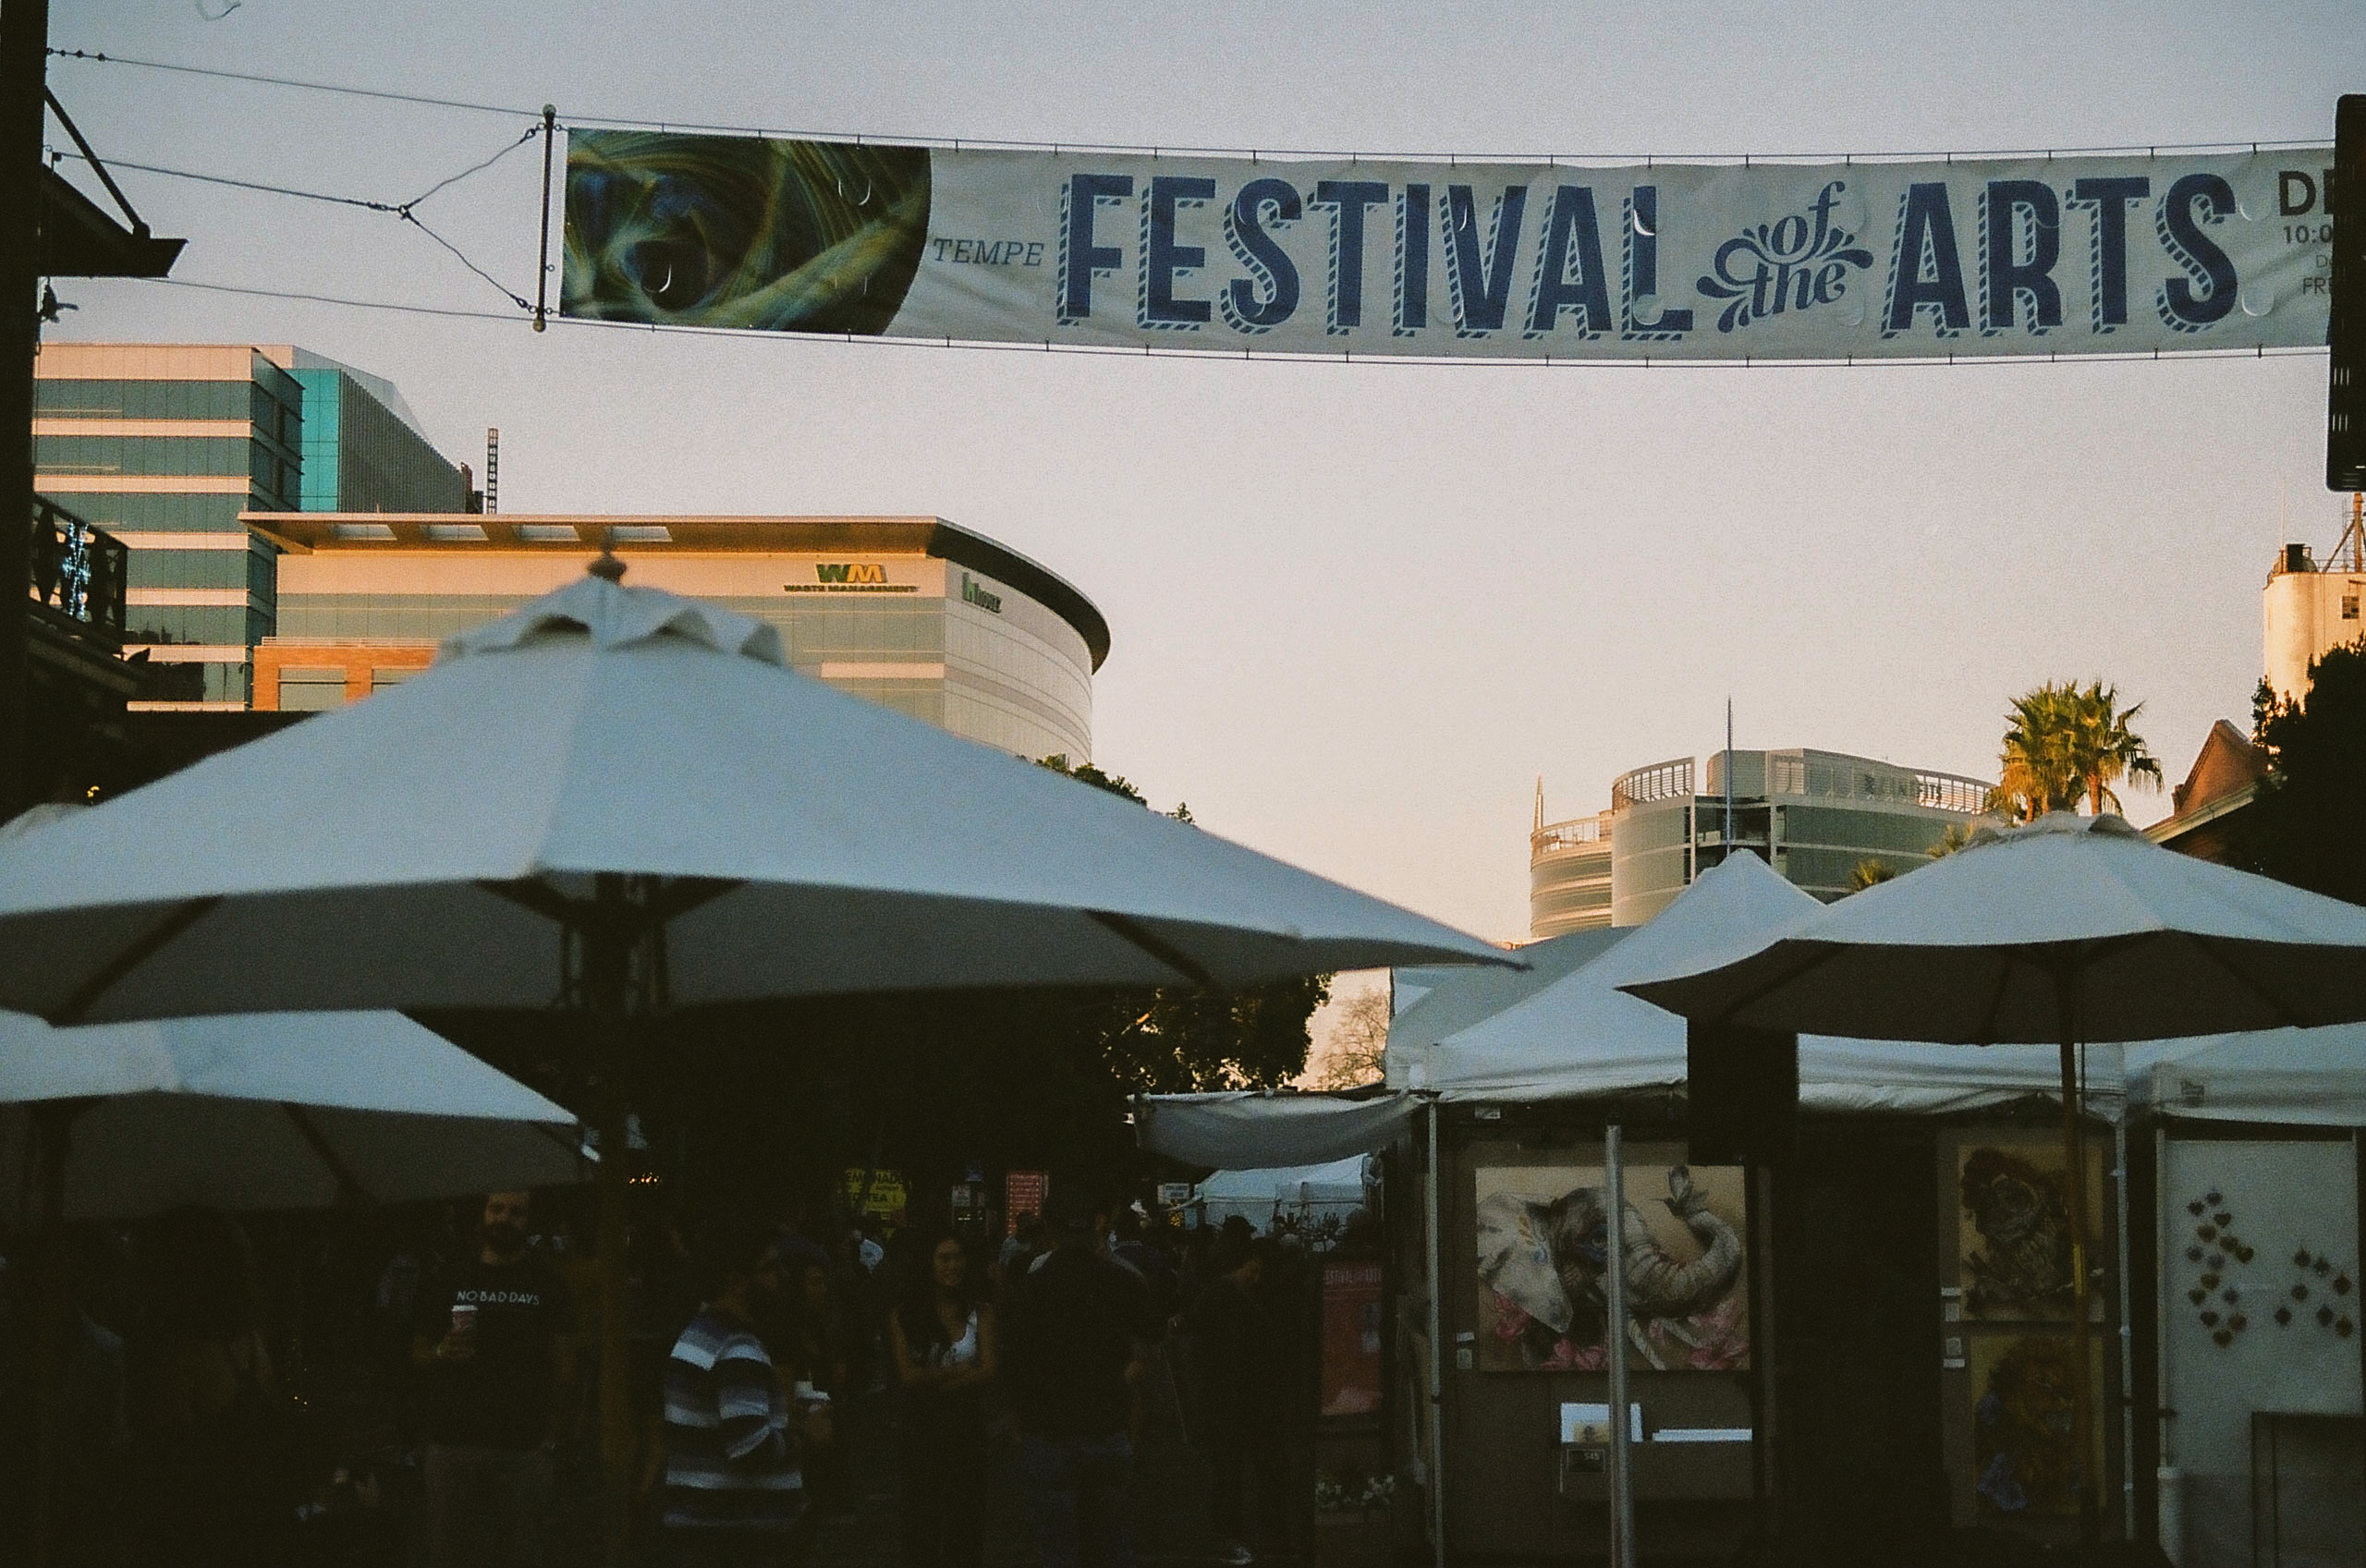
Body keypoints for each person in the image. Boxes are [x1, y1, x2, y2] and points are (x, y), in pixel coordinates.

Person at [1001, 1185, 1162, 1568]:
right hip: (1107, 1426)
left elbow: (1012, 1360)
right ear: (1096, 1227)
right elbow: (1150, 1344)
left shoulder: (1031, 1286)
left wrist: (1017, 1418)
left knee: (1056, 1550)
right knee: (1112, 1546)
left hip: (1048, 1430)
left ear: (1050, 1230)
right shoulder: (1123, 1280)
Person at [410, 1190, 573, 1568]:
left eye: (516, 1212)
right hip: (453, 1442)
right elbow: (417, 1351)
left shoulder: (547, 1280)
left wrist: (554, 1438)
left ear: (529, 1222)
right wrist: (440, 1351)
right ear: (483, 1213)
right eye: (496, 1209)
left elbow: (565, 1363)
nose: (504, 1218)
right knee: (450, 1554)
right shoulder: (452, 1274)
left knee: (519, 1554)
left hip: (523, 1445)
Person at [662, 1212, 827, 1566]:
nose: (781, 1277)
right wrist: (806, 1434)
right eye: (769, 1269)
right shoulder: (737, 1348)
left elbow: (727, 1425)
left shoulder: (700, 1333)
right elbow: (750, 1447)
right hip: (738, 1536)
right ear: (738, 1282)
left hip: (706, 1528)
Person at [888, 1232, 998, 1566]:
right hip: (922, 1432)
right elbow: (907, 1375)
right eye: (944, 1258)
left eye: (959, 1258)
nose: (954, 1266)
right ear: (929, 1264)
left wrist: (938, 1382)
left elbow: (990, 1368)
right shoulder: (905, 1315)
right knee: (923, 1521)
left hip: (968, 1431)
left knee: (966, 1522)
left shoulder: (981, 1311)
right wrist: (960, 1371)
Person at [1181, 1233, 1278, 1567]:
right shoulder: (1228, 1298)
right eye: (1251, 1271)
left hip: (1226, 1396)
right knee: (1230, 1470)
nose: (1256, 1279)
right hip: (1231, 1397)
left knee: (1228, 1470)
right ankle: (1229, 1533)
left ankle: (1228, 1532)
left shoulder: (1217, 1296)